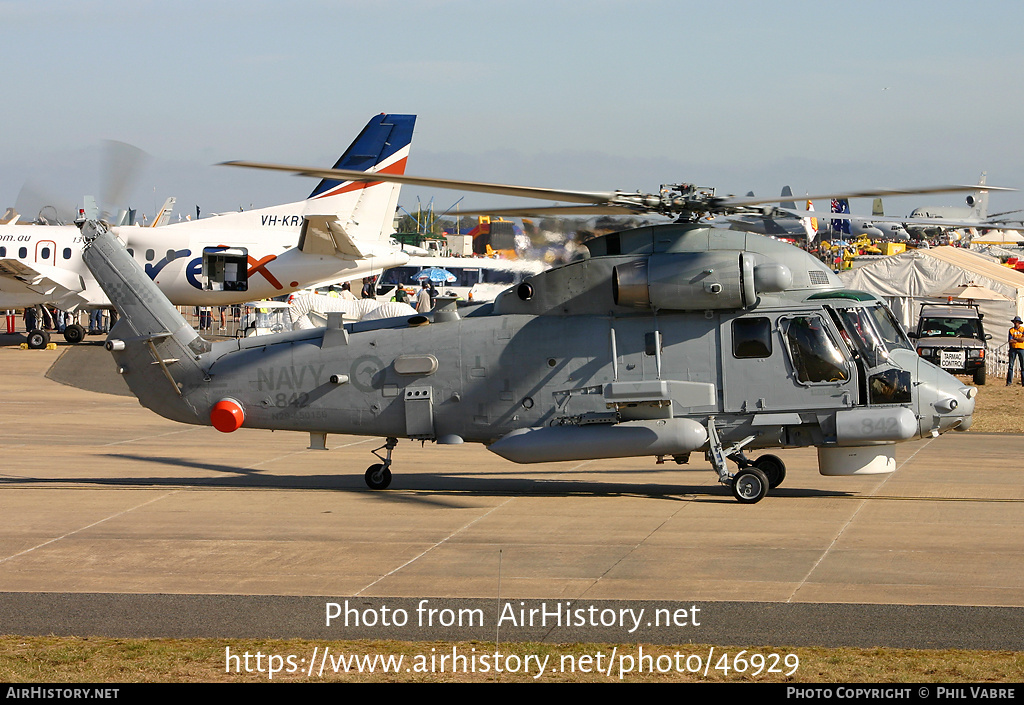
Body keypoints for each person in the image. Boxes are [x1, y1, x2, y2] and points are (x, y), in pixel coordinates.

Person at [1007, 316, 1024, 386]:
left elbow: (1023, 339)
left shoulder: (1023, 329)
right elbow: (1010, 341)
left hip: (1021, 348)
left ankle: (1023, 382)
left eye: (1017, 322)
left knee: (1023, 366)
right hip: (1013, 349)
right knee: (1011, 366)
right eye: (1015, 322)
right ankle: (1009, 382)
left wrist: (1015, 339)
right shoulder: (1011, 330)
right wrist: (1018, 339)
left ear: (1019, 323)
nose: (1016, 323)